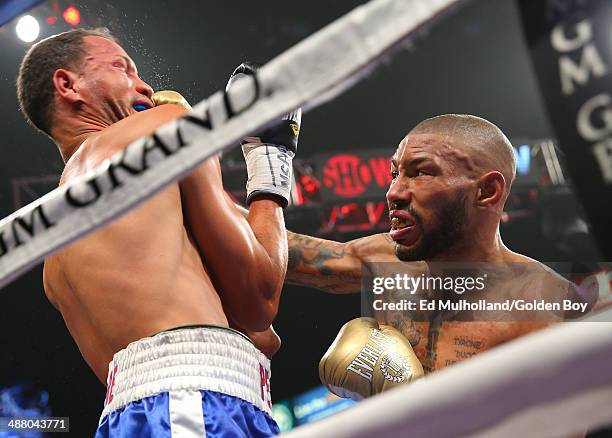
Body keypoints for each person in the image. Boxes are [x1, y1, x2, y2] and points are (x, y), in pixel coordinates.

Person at [17, 28, 298, 436]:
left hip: (135, 416)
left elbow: (261, 339)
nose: (144, 84)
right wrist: (269, 159)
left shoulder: (52, 255)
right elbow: (260, 297)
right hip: (194, 405)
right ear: (68, 85)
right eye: (122, 68)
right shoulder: (162, 131)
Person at [286, 114, 593, 396]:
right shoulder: (386, 261)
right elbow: (276, 253)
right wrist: (266, 169)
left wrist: (415, 406)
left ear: (487, 191)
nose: (393, 192)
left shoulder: (545, 307)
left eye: (420, 173)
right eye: (395, 174)